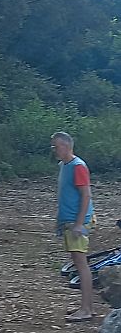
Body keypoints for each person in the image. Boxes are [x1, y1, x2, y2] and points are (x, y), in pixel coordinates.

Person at [51, 130, 96, 322]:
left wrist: (79, 224)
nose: (54, 149)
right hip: (69, 222)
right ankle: (85, 306)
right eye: (53, 146)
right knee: (78, 263)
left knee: (81, 265)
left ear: (67, 146)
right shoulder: (64, 165)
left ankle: (87, 309)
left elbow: (86, 195)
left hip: (79, 222)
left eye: (57, 146)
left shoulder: (78, 166)